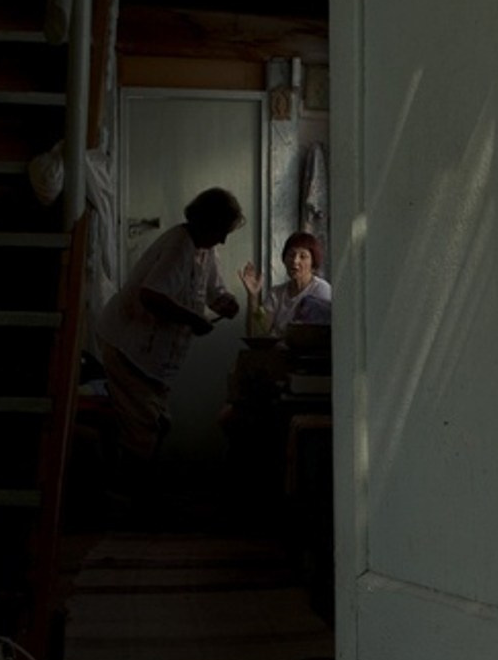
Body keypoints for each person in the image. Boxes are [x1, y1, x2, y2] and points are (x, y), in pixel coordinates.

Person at [94, 187, 243, 465]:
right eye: (221, 230)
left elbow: (213, 290)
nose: (222, 239)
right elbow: (151, 295)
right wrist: (193, 319)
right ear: (206, 223)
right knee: (143, 432)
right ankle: (128, 501)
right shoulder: (179, 245)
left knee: (158, 424)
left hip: (150, 360)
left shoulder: (204, 250)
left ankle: (139, 496)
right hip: (129, 350)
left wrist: (226, 302)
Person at [239, 230, 332, 333]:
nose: (295, 261)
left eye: (303, 256)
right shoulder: (276, 293)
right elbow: (257, 332)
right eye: (291, 255)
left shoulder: (321, 290)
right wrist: (253, 296)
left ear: (313, 263)